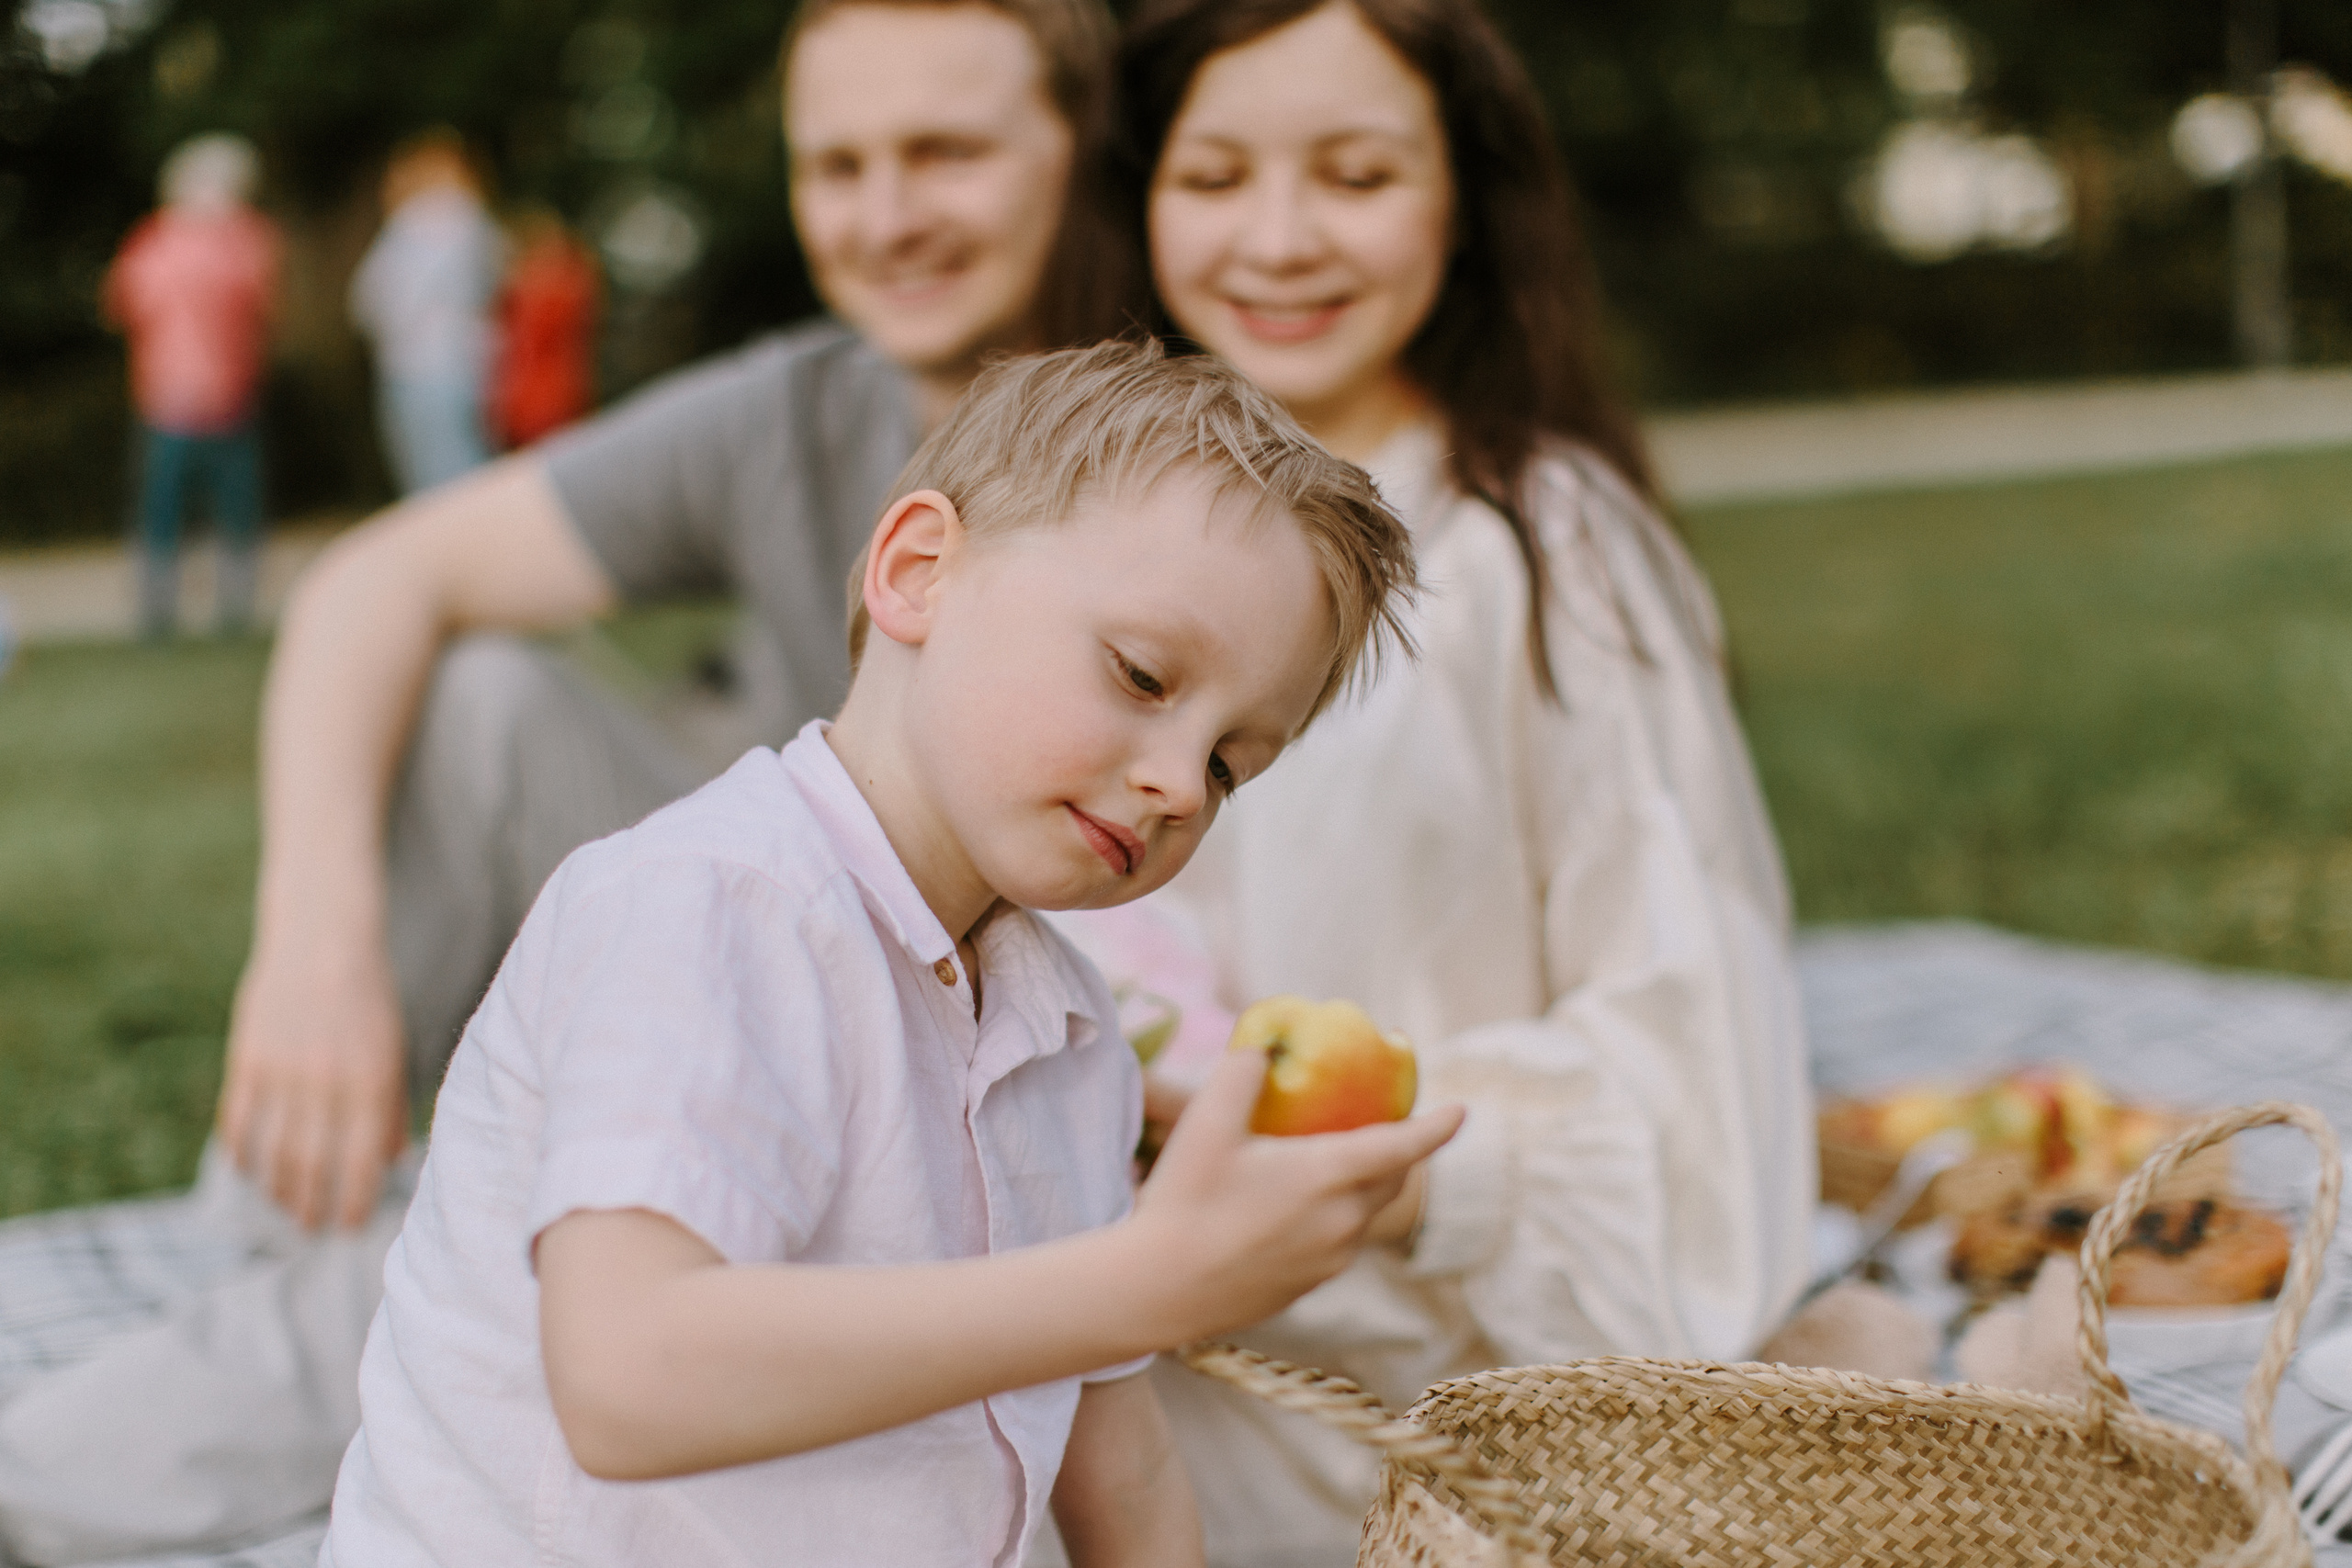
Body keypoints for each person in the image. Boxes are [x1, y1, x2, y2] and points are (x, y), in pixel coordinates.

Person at [0, 2, 1134, 1561]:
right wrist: (312, 943)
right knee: (482, 694)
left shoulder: (1179, 451)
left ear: (1078, 145)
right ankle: (276, 1222)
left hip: (961, 1072)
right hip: (740, 1013)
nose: (885, 215)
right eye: (837, 163)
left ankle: (241, 1363)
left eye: (943, 152)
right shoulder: (805, 403)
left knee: (419, 1308)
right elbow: (372, 581)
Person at [318, 338, 1454, 1568]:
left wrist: (1136, 1281)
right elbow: (628, 1375)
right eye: (1140, 674)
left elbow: (1117, 1459)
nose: (1180, 780)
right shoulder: (714, 904)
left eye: (1234, 760)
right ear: (918, 571)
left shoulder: (1065, 1027)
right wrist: (1142, 1279)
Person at [1046, 2, 1816, 1562]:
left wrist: (1377, 1176)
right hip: (1081, 1359)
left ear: (1464, 200)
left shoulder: (1546, 557)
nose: (1277, 238)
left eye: (1355, 173)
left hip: (1417, 1413)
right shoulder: (1053, 536)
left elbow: (1700, 1097)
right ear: (1137, 198)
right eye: (1214, 176)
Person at [102, 132, 281, 639]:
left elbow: (258, 298)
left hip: (227, 399)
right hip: (170, 400)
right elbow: (124, 303)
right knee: (164, 510)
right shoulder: (159, 242)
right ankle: (158, 614)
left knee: (236, 509)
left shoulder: (242, 239)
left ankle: (233, 611)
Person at [347, 129, 504, 494]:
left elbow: (372, 301)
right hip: (464, 366)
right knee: (460, 470)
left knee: (438, 479)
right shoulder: (474, 223)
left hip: (420, 367)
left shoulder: (427, 221)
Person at [490, 206, 600, 450]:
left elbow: (522, 344)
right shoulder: (577, 278)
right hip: (568, 388)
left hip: (532, 397)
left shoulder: (534, 288)